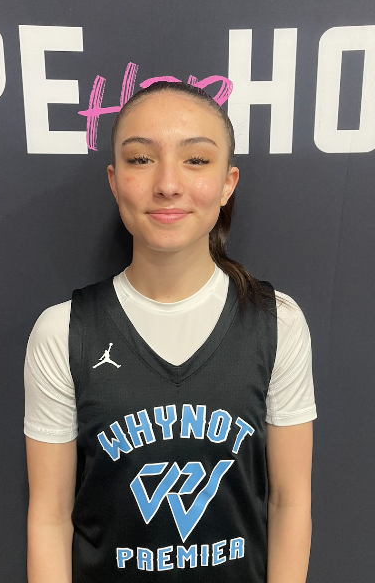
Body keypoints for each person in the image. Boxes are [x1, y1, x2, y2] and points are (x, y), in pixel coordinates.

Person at [24, 81, 317, 582]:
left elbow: (290, 502)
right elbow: (50, 518)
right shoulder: (63, 331)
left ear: (227, 183)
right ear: (114, 180)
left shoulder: (276, 322)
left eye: (196, 160)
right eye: (141, 159)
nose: (167, 184)